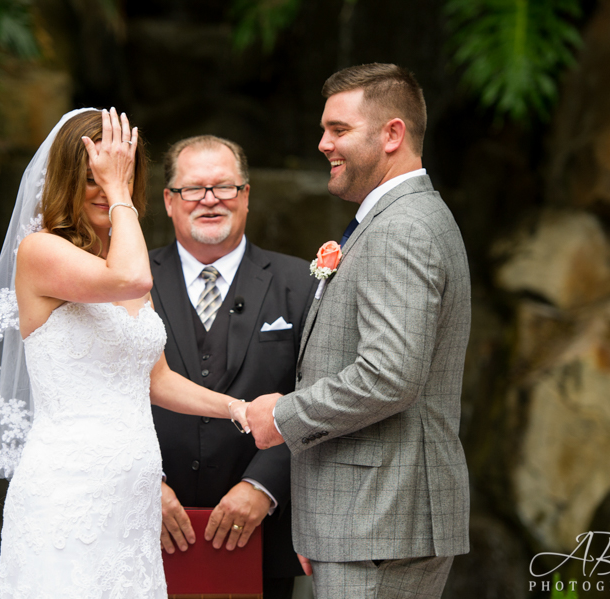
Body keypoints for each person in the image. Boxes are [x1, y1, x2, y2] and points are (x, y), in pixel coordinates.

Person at [0, 108, 250, 599]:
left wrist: (238, 410)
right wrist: (120, 189)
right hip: (68, 497)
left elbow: (155, 379)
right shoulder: (41, 252)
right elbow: (133, 278)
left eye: (119, 179)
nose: (106, 191)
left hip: (130, 503)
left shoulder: (111, 259)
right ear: (64, 181)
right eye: (92, 180)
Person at [245, 63, 472, 598]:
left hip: (380, 515)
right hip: (366, 515)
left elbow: (390, 375)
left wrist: (283, 416)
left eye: (339, 130)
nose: (323, 143)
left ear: (392, 134)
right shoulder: (405, 217)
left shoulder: (401, 229)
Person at [149, 135, 315, 598]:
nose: (209, 200)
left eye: (223, 187)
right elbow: (100, 397)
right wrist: (143, 484)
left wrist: (264, 486)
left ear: (246, 194)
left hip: (265, 534)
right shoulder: (127, 282)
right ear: (168, 200)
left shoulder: (302, 284)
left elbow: (319, 396)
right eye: (193, 188)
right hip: (143, 529)